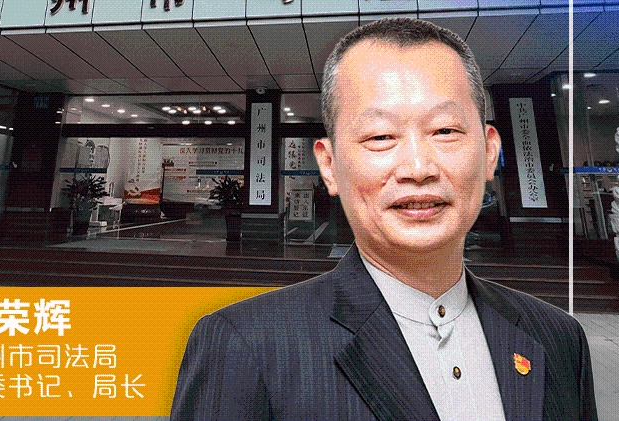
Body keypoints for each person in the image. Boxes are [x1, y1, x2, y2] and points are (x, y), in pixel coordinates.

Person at [170, 17, 597, 421]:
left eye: (445, 131)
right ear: (330, 165)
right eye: (380, 136)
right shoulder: (244, 345)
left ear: (488, 152)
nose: (418, 168)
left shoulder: (558, 339)